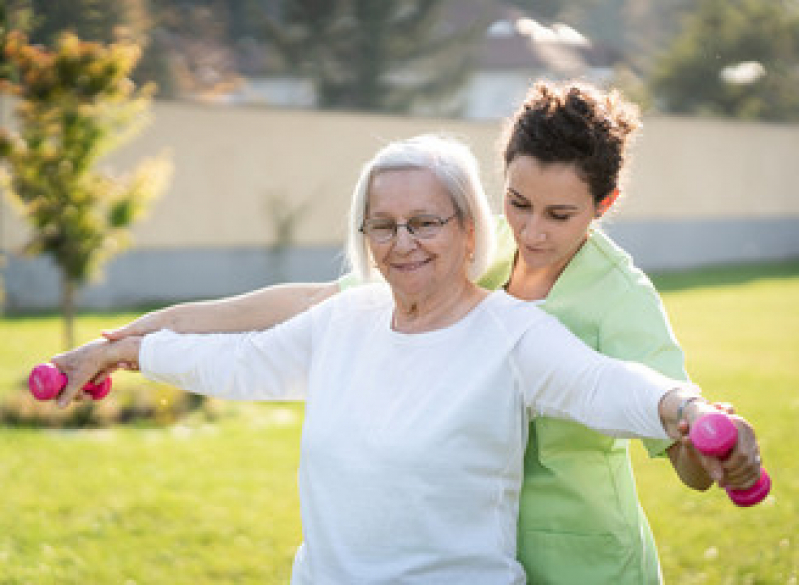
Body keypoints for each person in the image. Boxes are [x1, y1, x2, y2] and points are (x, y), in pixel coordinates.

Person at [51, 135, 761, 585]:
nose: (402, 243)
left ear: (466, 229)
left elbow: (606, 383)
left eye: (424, 222)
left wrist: (686, 408)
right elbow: (240, 359)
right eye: (382, 225)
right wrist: (129, 351)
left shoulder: (512, 333)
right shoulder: (347, 317)